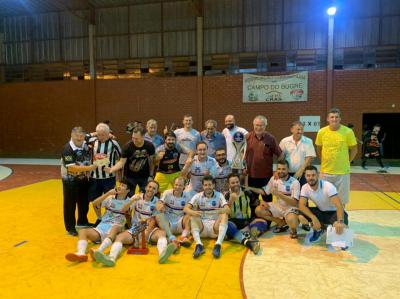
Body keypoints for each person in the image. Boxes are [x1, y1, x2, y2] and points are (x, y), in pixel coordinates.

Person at [94, 180, 178, 266]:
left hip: (149, 228)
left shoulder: (157, 202)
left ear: (156, 191)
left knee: (162, 233)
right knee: (119, 238)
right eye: (149, 187)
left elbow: (154, 219)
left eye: (154, 188)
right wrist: (131, 201)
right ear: (145, 188)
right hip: (136, 228)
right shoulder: (137, 197)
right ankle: (111, 258)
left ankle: (162, 254)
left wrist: (146, 233)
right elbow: (123, 210)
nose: (151, 189)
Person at [65, 180, 131, 262]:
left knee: (115, 227)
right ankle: (81, 254)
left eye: (123, 186)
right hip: (103, 227)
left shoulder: (130, 201)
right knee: (82, 231)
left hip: (116, 228)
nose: (120, 186)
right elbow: (94, 203)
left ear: (128, 190)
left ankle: (99, 251)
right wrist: (108, 193)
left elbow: (130, 216)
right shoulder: (110, 198)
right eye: (120, 185)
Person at [246, 160, 308, 239]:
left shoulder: (295, 182)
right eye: (279, 169)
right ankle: (280, 222)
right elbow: (264, 191)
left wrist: (279, 194)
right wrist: (250, 188)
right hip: (278, 206)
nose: (280, 171)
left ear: (288, 170)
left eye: (283, 169)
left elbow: (294, 202)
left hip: (290, 208)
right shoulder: (274, 179)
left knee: (292, 221)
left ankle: (294, 228)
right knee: (258, 210)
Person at [315, 108, 357, 206]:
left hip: (342, 172)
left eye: (336, 117)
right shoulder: (321, 132)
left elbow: (354, 149)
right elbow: (319, 148)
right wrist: (323, 160)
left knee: (341, 200)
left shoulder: (348, 132)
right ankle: (325, 220)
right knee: (324, 198)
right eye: (332, 117)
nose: (334, 119)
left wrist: (348, 161)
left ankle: (340, 220)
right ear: (328, 119)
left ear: (340, 119)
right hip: (325, 171)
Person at [298, 165, 348, 245]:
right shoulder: (305, 187)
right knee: (301, 214)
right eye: (308, 175)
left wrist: (340, 222)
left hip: (334, 212)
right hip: (321, 212)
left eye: (313, 175)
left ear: (318, 175)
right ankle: (318, 230)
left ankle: (339, 235)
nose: (311, 178)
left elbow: (339, 205)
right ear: (305, 176)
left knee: (341, 229)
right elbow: (301, 205)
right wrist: (313, 217)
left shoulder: (328, 186)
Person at [184, 176, 230, 259]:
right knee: (192, 215)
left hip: (214, 228)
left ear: (213, 185)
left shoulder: (219, 195)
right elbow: (185, 209)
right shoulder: (198, 196)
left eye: (210, 185)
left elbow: (228, 210)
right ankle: (199, 245)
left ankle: (218, 245)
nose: (208, 187)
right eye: (205, 185)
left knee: (225, 215)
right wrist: (193, 212)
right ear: (203, 186)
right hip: (202, 228)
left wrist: (220, 210)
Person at [87, 123, 121, 225]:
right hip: (95, 177)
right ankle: (99, 218)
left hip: (109, 178)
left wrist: (114, 169)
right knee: (94, 200)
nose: (100, 137)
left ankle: (107, 218)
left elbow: (121, 159)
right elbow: (85, 136)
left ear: (108, 134)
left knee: (110, 200)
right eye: (99, 134)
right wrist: (94, 134)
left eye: (103, 135)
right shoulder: (92, 141)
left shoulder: (114, 143)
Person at [245, 115, 283, 209]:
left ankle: (268, 222)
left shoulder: (270, 138)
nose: (259, 127)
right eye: (257, 125)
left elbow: (280, 155)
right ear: (253, 125)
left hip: (267, 177)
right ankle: (254, 221)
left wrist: (277, 170)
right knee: (252, 202)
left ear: (265, 126)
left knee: (268, 202)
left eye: (261, 125)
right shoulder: (247, 137)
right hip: (251, 176)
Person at [61, 127, 93, 236]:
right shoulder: (67, 149)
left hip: (83, 179)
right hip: (70, 181)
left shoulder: (85, 141)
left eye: (81, 136)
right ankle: (70, 228)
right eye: (76, 136)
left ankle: (82, 221)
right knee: (70, 204)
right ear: (71, 135)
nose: (79, 138)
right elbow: (72, 168)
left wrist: (107, 134)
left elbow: (91, 134)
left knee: (84, 202)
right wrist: (90, 168)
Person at [105, 126, 155, 195]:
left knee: (144, 196)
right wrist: (112, 169)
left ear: (143, 137)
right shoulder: (127, 147)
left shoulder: (149, 146)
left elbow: (151, 162)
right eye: (133, 138)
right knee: (129, 196)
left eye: (136, 138)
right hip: (130, 177)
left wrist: (151, 175)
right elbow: (121, 162)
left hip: (144, 176)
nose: (134, 140)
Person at [224, 173, 264, 253]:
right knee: (226, 225)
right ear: (228, 184)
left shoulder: (247, 192)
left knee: (263, 223)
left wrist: (262, 203)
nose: (236, 184)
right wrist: (231, 200)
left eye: (237, 182)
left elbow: (254, 203)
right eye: (233, 183)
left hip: (246, 220)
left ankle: (238, 234)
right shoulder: (226, 195)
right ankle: (249, 238)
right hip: (233, 221)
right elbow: (225, 212)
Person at [157, 176, 193, 247]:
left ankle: (183, 237)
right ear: (173, 185)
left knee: (190, 216)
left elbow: (192, 209)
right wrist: (161, 207)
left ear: (184, 187)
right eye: (176, 185)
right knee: (158, 215)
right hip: (168, 223)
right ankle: (171, 239)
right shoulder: (167, 193)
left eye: (180, 185)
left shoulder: (188, 196)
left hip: (180, 222)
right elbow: (158, 204)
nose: (177, 187)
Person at [279, 121, 316, 186]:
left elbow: (308, 158)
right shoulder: (284, 141)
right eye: (298, 129)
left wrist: (300, 172)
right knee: (287, 193)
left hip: (303, 174)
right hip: (287, 173)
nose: (300, 131)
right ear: (292, 130)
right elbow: (281, 158)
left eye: (302, 129)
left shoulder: (308, 141)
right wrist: (279, 170)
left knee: (302, 194)